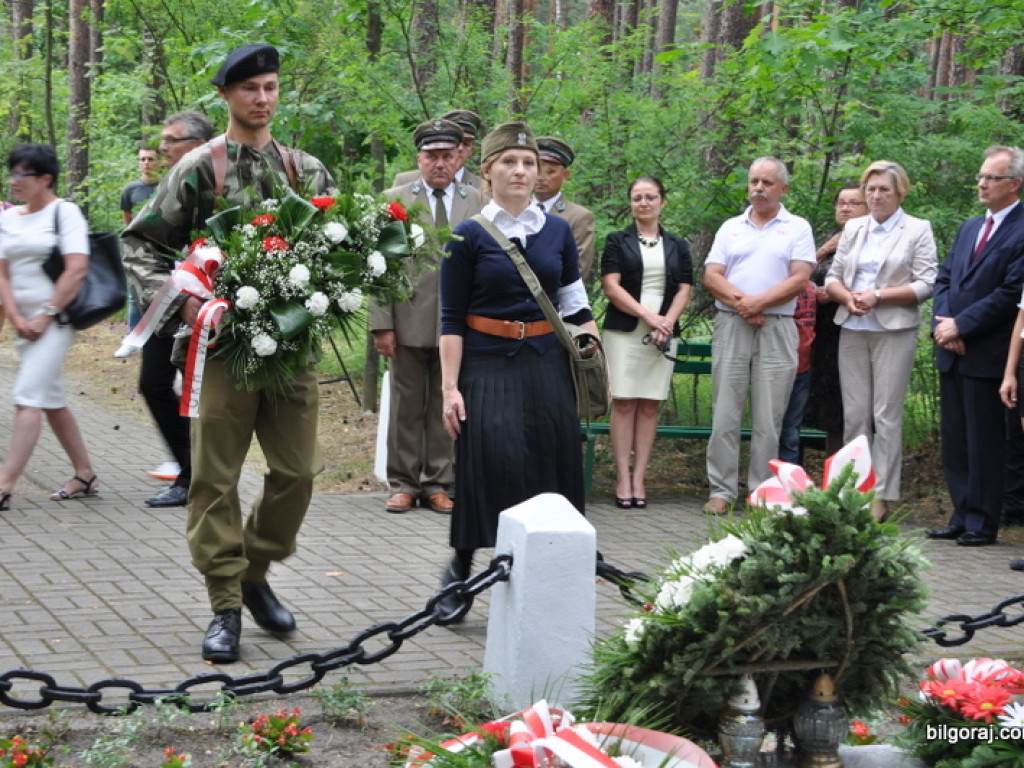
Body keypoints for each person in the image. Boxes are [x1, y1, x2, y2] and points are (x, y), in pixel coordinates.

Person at [122, 43, 336, 663]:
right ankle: (225, 606)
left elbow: (333, 247)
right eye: (249, 89)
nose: (262, 99)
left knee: (297, 472)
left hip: (292, 348)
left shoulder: (308, 171)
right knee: (214, 480)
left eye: (270, 87)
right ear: (226, 96)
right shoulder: (198, 168)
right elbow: (140, 246)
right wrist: (185, 304)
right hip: (219, 349)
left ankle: (254, 569)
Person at [437, 121, 597, 623]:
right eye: (509, 162)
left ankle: (555, 571)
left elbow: (574, 302)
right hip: (486, 366)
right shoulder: (466, 237)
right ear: (487, 171)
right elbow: (450, 319)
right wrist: (449, 390)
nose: (522, 171)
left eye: (529, 163)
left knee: (553, 462)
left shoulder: (556, 232)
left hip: (548, 365)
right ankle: (461, 569)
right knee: (490, 463)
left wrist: (591, 351)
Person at [369, 119, 482, 515]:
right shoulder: (394, 199)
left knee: (446, 404)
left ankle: (439, 483)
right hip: (407, 318)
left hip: (461, 324)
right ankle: (402, 483)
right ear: (419, 158)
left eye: (447, 156)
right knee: (405, 405)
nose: (439, 164)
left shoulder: (479, 201)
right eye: (431, 156)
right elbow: (379, 265)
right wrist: (381, 322)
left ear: (459, 157)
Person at [702, 157, 816, 515]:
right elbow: (712, 275)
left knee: (769, 417)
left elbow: (800, 278)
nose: (759, 189)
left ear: (783, 188)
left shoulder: (797, 228)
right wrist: (744, 305)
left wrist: (759, 305)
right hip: (733, 325)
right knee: (725, 413)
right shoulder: (730, 228)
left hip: (778, 327)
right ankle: (721, 491)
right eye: (754, 181)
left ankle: (762, 493)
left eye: (767, 183)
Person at [825, 161, 937, 522]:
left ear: (899, 193)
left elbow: (926, 283)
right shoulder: (855, 227)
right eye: (870, 189)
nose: (875, 196)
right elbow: (833, 277)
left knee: (885, 415)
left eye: (883, 190)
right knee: (855, 415)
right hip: (853, 326)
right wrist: (847, 297)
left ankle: (882, 495)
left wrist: (879, 295)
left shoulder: (917, 229)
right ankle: (855, 490)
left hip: (894, 329)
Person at [926, 146, 1024, 548]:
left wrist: (963, 326)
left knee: (984, 441)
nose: (981, 184)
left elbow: (1011, 293)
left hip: (988, 351)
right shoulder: (970, 227)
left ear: (1014, 183)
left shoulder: (1021, 229)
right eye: (981, 176)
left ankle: (983, 522)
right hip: (953, 349)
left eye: (991, 178)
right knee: (956, 439)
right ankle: (961, 513)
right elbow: (945, 277)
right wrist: (946, 324)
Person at [0, 144, 99, 510]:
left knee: (27, 399)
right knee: (52, 401)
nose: (13, 181)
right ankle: (85, 474)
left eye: (21, 174)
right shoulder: (8, 218)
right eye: (11, 173)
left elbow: (76, 269)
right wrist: (16, 316)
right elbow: (3, 274)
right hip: (23, 324)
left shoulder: (65, 213)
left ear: (45, 179)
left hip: (55, 322)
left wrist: (44, 314)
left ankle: (4, 485)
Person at [136, 110, 215, 508]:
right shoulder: (165, 185)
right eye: (162, 140)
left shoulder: (216, 185)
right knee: (152, 383)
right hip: (166, 302)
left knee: (195, 390)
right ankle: (189, 465)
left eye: (172, 140)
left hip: (207, 308)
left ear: (198, 147)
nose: (162, 147)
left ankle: (195, 477)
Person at [601, 175, 692, 508]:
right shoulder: (616, 240)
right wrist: (649, 318)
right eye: (637, 197)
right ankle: (622, 479)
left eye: (650, 197)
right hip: (626, 330)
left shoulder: (678, 245)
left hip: (664, 331)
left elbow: (685, 287)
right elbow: (612, 286)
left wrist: (665, 322)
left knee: (650, 404)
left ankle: (640, 478)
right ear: (631, 203)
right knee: (624, 402)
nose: (644, 203)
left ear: (662, 202)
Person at [804, 184, 866, 455]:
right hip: (821, 335)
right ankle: (833, 474)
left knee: (851, 404)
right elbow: (797, 274)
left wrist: (834, 294)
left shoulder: (871, 240)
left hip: (855, 328)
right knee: (831, 408)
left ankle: (855, 473)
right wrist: (827, 247)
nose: (846, 208)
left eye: (854, 203)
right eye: (841, 203)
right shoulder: (830, 241)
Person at [533, 136, 597, 285]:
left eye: (550, 172)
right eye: (537, 171)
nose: (541, 178)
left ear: (565, 176)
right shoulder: (517, 210)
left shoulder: (579, 216)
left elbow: (578, 268)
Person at [393, 109, 483, 189]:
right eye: (455, 144)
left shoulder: (482, 188)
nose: (460, 148)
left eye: (466, 144)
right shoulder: (405, 181)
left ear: (472, 149)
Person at [777, 281, 816, 463]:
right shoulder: (777, 286)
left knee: (791, 429)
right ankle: (771, 476)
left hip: (803, 369)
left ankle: (790, 479)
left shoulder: (813, 288)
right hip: (778, 368)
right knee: (775, 425)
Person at [120, 147, 161, 227]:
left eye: (150, 159)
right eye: (143, 159)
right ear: (139, 163)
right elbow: (127, 219)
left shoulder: (166, 186)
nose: (146, 162)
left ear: (159, 163)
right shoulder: (130, 189)